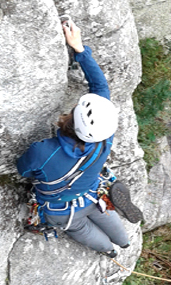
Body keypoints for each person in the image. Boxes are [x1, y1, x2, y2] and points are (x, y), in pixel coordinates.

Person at [17, 20, 142, 258]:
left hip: (61, 209)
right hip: (91, 194)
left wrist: (79, 48)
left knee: (79, 227)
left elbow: (23, 170)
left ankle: (109, 250)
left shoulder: (43, 151)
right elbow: (100, 86)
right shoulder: (105, 138)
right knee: (100, 212)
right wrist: (80, 50)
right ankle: (123, 242)